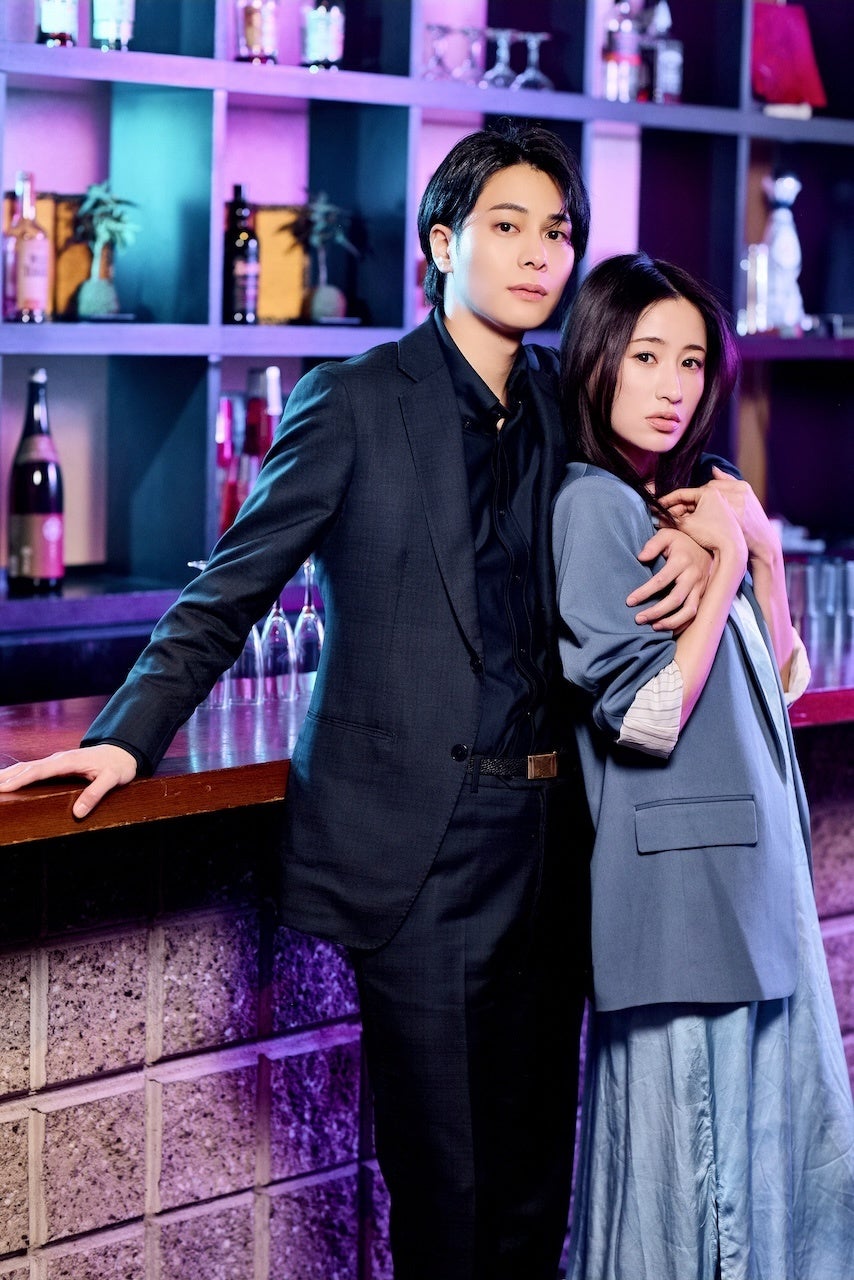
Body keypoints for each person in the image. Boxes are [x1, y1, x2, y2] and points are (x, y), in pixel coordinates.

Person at [0, 129, 711, 1279]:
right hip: (420, 855)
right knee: (445, 1202)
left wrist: (719, 516)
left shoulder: (559, 401)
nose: (538, 253)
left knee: (535, 1196)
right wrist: (125, 737)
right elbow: (231, 589)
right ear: (441, 242)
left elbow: (670, 463)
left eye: (556, 232)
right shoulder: (353, 401)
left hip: (555, 848)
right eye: (507, 226)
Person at [552, 251, 854, 1280]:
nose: (673, 385)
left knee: (757, 1185)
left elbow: (781, 677)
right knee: (693, 1196)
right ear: (597, 358)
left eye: (690, 361)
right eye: (645, 356)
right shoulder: (592, 505)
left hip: (746, 879)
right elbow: (642, 717)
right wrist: (724, 560)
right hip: (679, 898)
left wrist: (760, 553)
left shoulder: (686, 498)